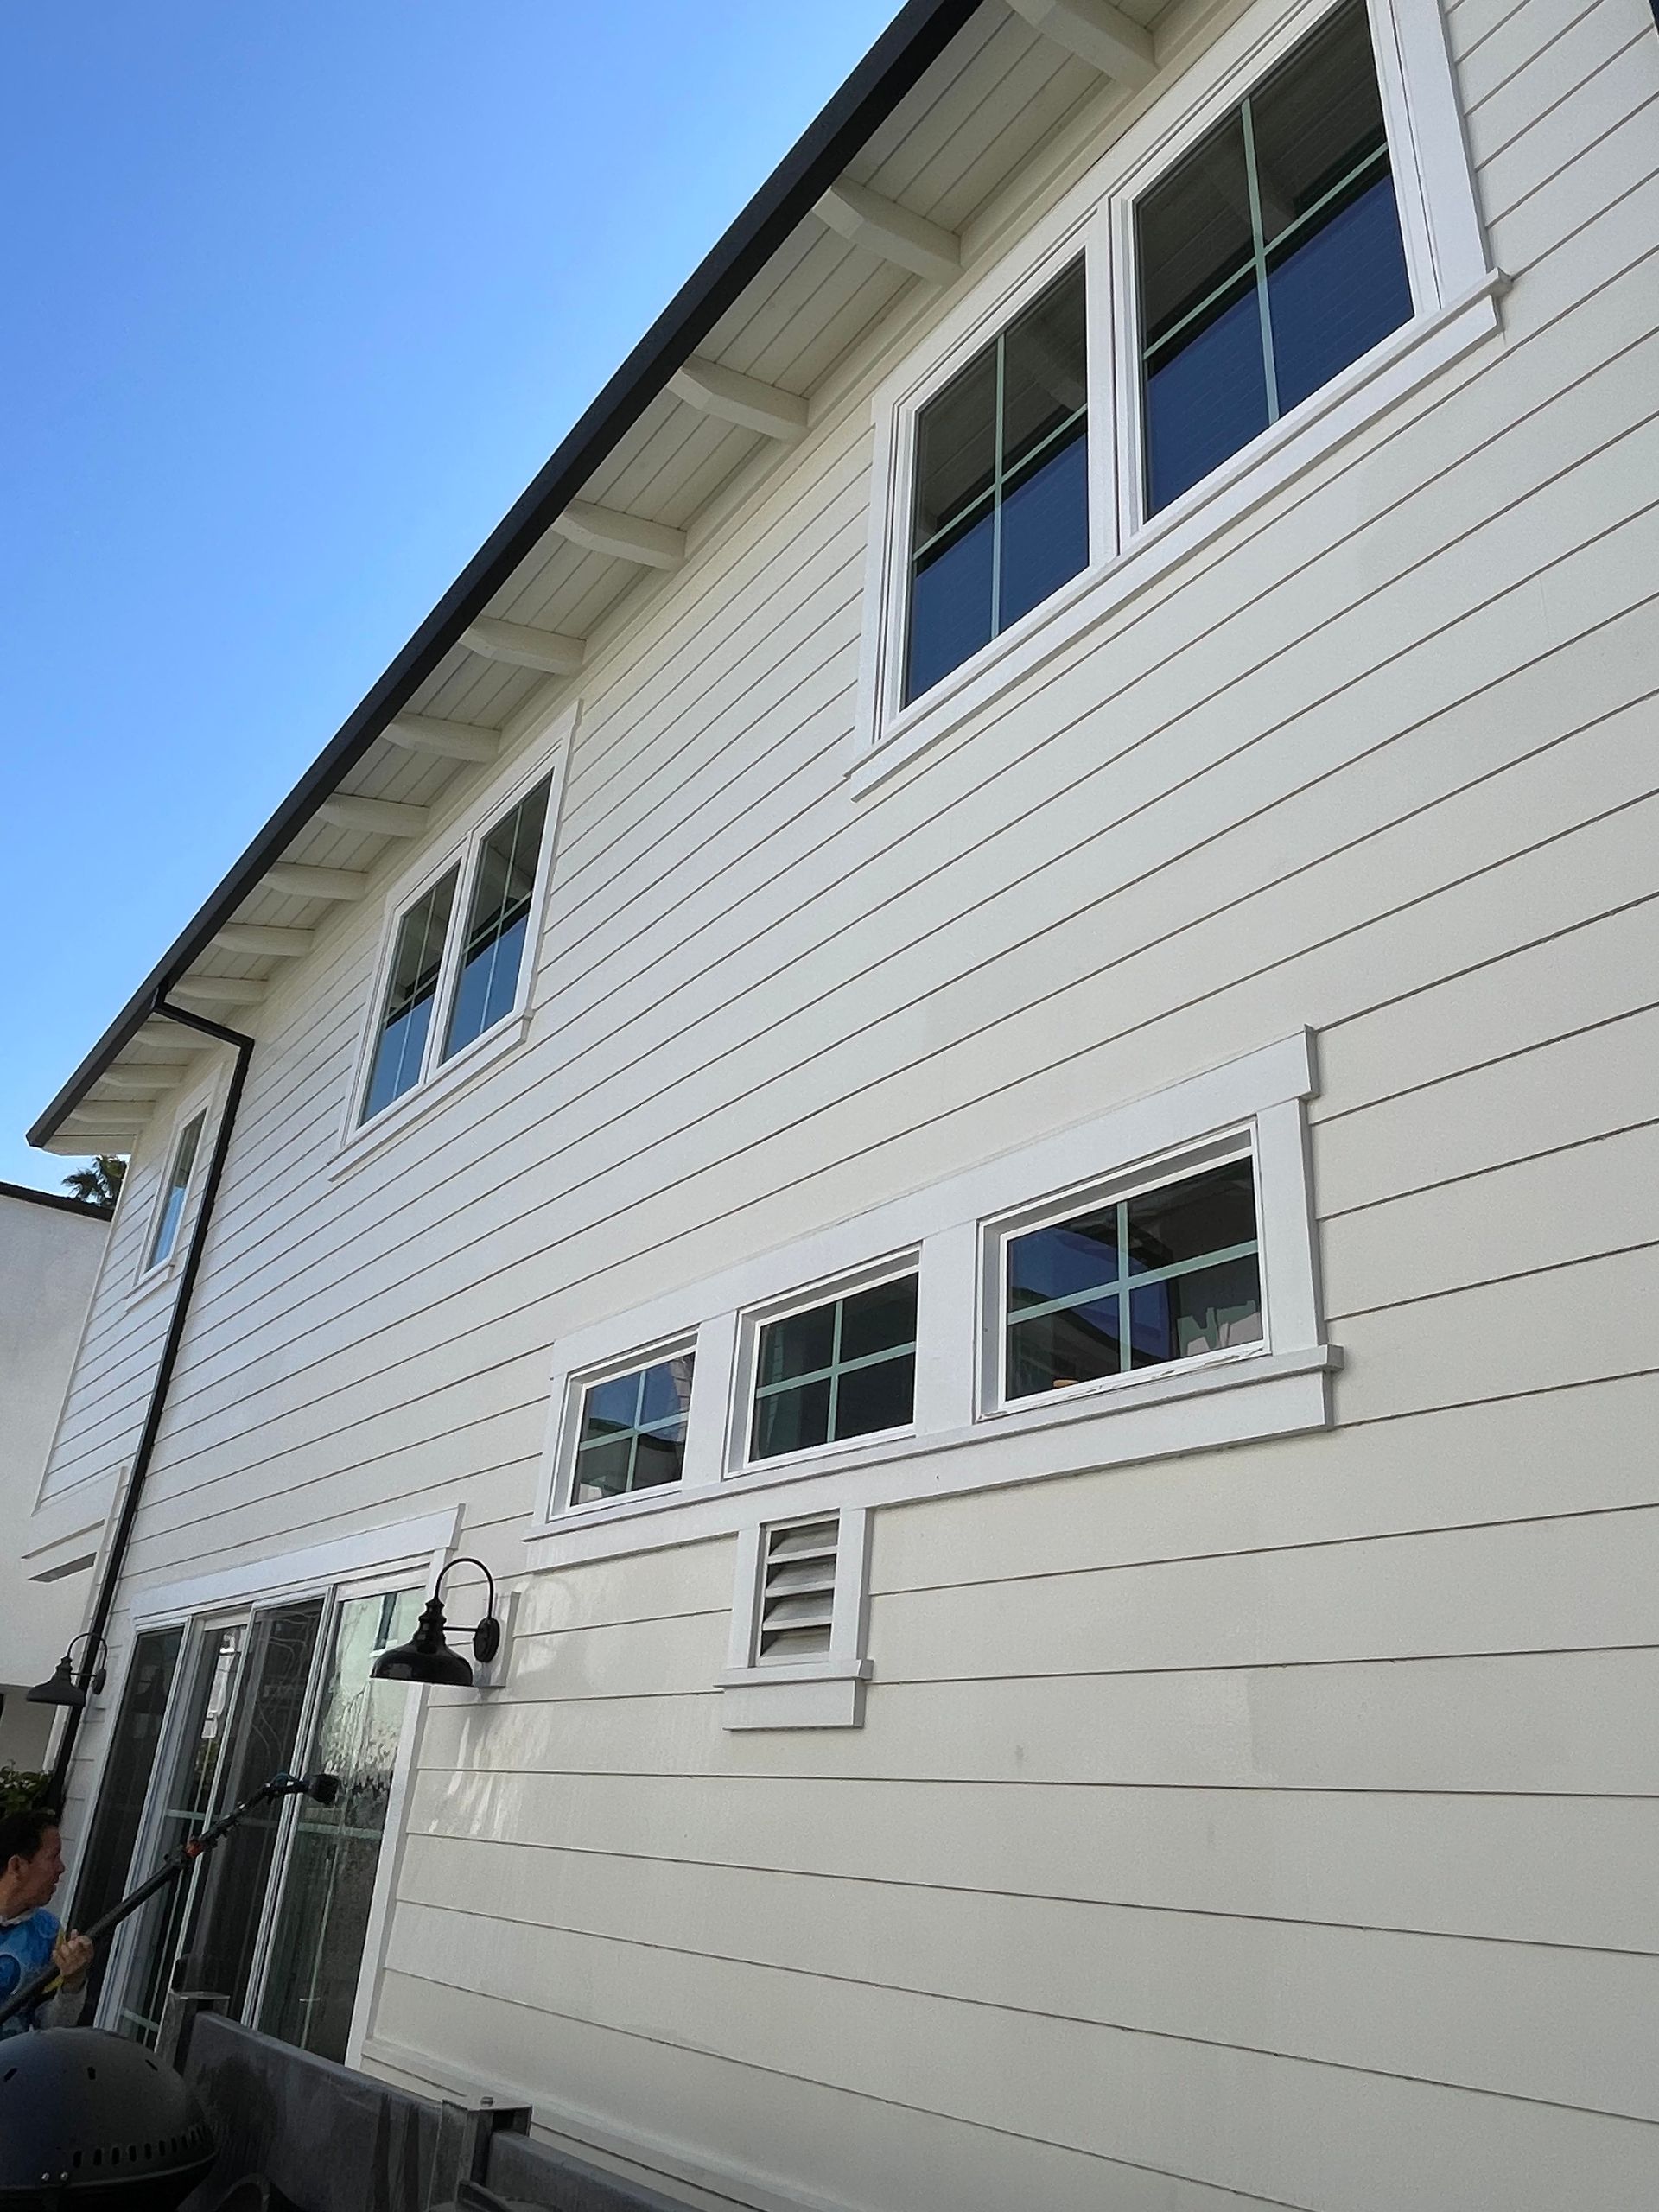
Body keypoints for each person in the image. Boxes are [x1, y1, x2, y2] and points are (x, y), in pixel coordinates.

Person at [0, 1807, 94, 2038]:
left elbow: (50, 2030)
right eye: (53, 1857)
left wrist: (72, 1984)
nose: (61, 1868)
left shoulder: (49, 1934)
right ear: (17, 1866)